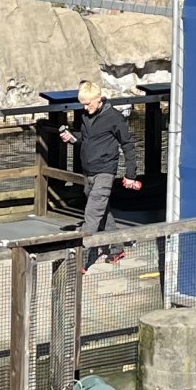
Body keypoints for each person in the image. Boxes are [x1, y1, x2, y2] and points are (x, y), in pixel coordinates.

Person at [72, 81, 135, 263]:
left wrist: (130, 174)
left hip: (105, 171)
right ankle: (117, 247)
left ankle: (80, 259)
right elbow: (85, 138)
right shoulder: (85, 115)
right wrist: (73, 137)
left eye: (88, 104)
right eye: (83, 104)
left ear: (98, 99)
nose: (85, 108)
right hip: (88, 171)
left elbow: (127, 144)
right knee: (102, 211)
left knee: (92, 214)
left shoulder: (114, 117)